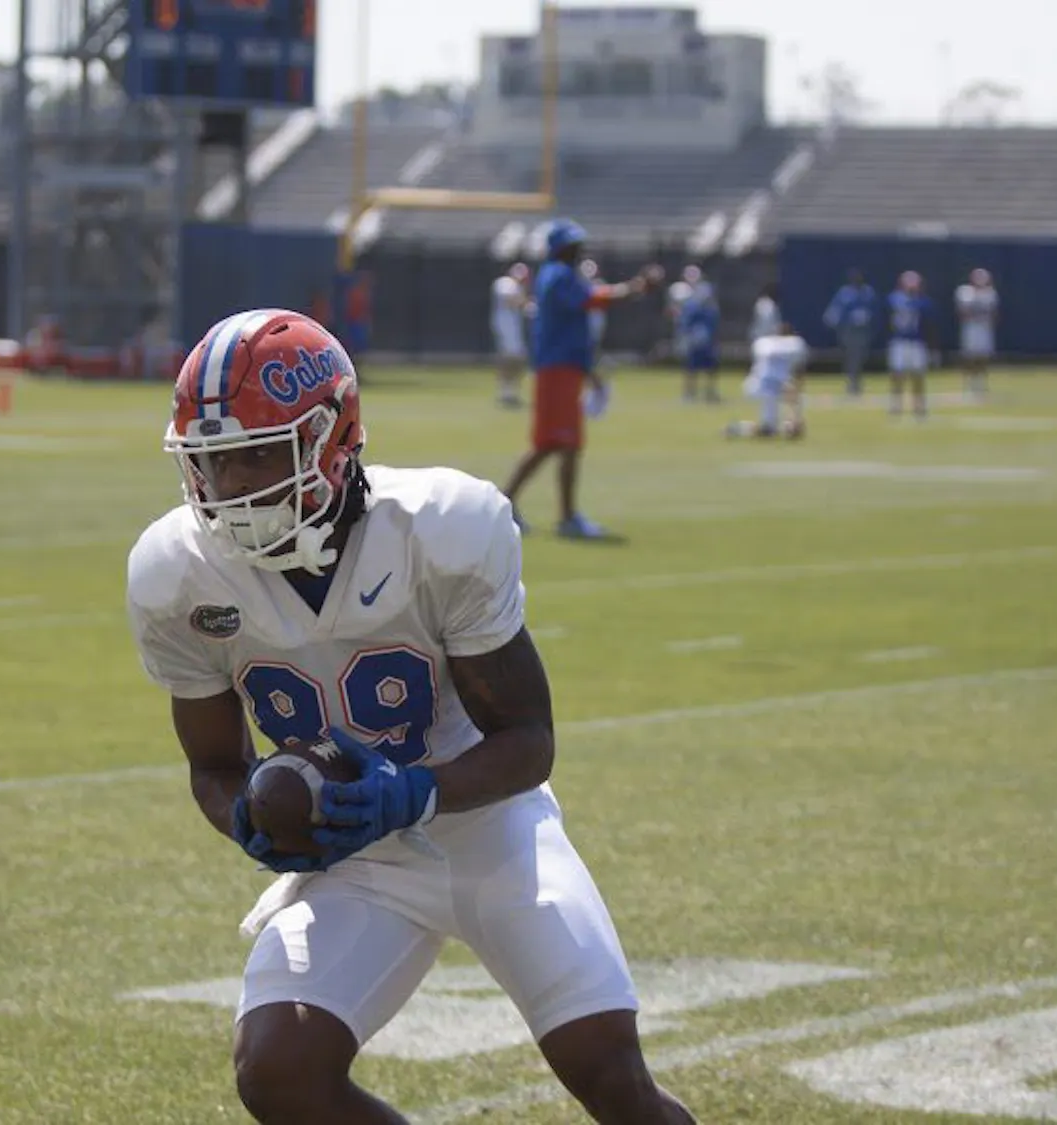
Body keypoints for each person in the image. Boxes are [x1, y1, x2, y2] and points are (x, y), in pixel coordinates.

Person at [126, 308, 697, 1125]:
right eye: (212, 463)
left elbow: (529, 741)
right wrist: (245, 814)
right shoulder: (175, 572)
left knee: (611, 1077)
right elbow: (214, 766)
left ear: (330, 436)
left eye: (257, 454)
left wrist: (413, 792)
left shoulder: (441, 529)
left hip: (487, 828)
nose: (233, 487)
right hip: (356, 858)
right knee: (278, 1071)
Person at [503, 221, 653, 540]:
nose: (577, 250)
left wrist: (590, 373)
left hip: (565, 367)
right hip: (557, 368)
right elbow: (592, 299)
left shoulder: (561, 275)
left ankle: (531, 509)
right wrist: (633, 288)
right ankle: (557, 515)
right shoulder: (558, 275)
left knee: (558, 443)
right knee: (556, 442)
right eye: (572, 245)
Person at [728, 321, 808, 440]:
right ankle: (736, 429)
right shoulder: (795, 344)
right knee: (769, 430)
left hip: (752, 385)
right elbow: (796, 378)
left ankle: (736, 429)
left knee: (771, 427)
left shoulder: (763, 343)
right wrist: (795, 417)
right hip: (768, 389)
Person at [886, 270, 935, 419]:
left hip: (916, 342)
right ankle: (896, 405)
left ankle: (919, 407)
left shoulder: (923, 301)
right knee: (897, 375)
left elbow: (928, 323)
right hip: (900, 341)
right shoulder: (895, 298)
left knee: (918, 376)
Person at [823, 268, 876, 397]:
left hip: (862, 329)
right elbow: (836, 309)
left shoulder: (868, 292)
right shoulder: (845, 292)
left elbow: (874, 310)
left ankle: (856, 382)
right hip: (849, 329)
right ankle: (852, 383)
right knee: (851, 356)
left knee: (860, 356)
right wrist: (832, 321)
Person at [675, 267, 721, 404]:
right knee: (691, 367)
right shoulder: (689, 302)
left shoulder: (709, 306)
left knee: (710, 367)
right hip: (694, 339)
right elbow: (685, 322)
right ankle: (689, 393)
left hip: (707, 339)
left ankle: (710, 392)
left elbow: (714, 321)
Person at [489, 261, 531, 407]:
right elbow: (510, 300)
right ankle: (505, 391)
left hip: (514, 326)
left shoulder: (519, 287)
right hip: (505, 326)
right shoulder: (504, 283)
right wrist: (526, 303)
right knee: (510, 357)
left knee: (517, 358)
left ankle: (510, 391)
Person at [955, 267, 999, 401]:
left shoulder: (990, 294)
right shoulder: (965, 292)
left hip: (984, 328)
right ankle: (969, 383)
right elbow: (962, 312)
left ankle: (981, 383)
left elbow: (994, 313)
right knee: (969, 356)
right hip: (971, 328)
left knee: (983, 356)